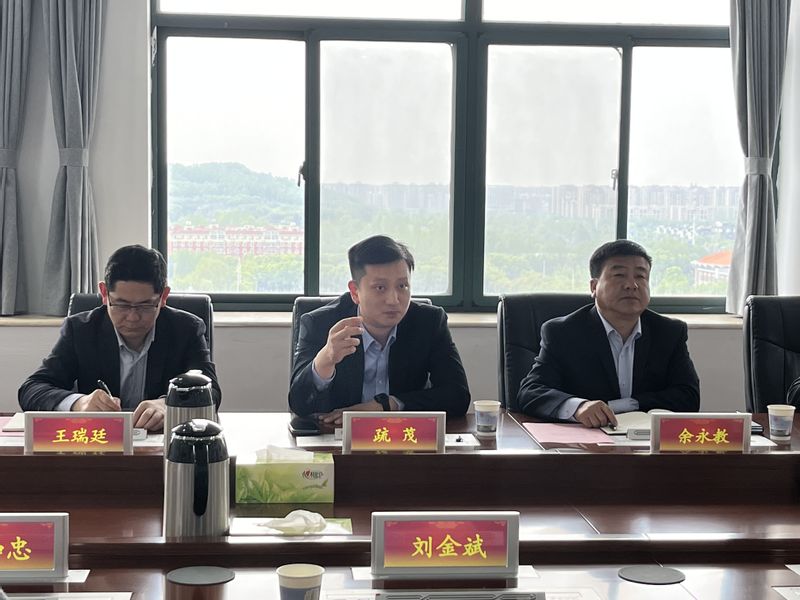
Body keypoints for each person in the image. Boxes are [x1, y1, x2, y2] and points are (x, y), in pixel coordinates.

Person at [18, 245, 221, 431]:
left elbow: (211, 391)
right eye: (121, 305)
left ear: (163, 297)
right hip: (101, 445)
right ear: (104, 294)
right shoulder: (81, 330)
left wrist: (168, 404)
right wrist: (79, 403)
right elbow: (32, 389)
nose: (133, 317)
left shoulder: (186, 329)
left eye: (145, 306)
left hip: (163, 445)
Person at [515, 240, 700, 428]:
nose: (632, 285)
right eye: (619, 275)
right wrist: (579, 407)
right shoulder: (563, 332)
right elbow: (531, 392)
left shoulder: (669, 332)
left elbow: (688, 396)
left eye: (640, 276)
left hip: (644, 440)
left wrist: (625, 405)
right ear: (594, 287)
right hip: (586, 440)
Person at [289, 235, 470, 424]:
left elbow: (457, 396)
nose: (393, 300)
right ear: (355, 292)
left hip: (403, 436)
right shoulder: (320, 324)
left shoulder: (428, 322)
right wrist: (326, 359)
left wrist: (386, 405)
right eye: (380, 288)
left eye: (402, 286)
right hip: (338, 437)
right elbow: (299, 405)